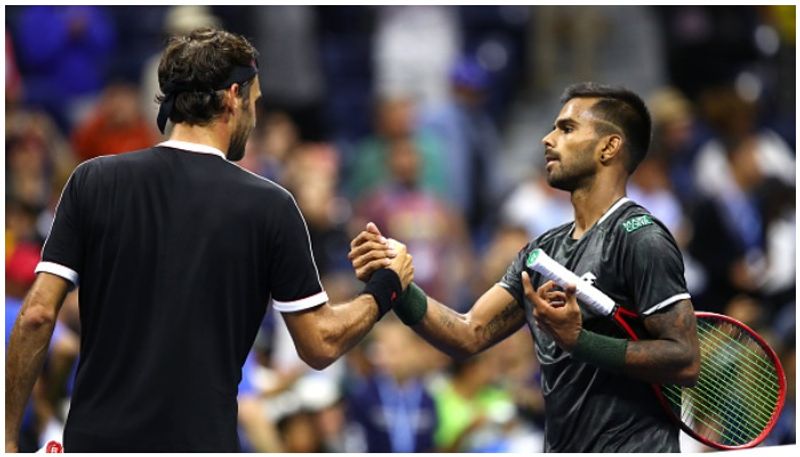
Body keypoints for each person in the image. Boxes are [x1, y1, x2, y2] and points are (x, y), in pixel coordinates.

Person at [6, 28, 413, 453]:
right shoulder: (270, 206)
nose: (254, 119)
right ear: (232, 97)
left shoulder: (92, 180)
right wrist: (386, 287)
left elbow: (36, 314)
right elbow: (320, 342)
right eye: (254, 103)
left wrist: (8, 440)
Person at [349, 82, 701, 452]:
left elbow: (684, 359)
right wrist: (396, 286)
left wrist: (581, 342)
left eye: (566, 129)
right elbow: (468, 334)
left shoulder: (639, 237)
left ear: (609, 147)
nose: (548, 140)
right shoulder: (542, 254)